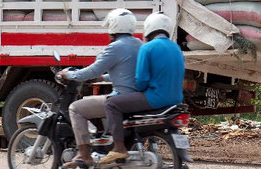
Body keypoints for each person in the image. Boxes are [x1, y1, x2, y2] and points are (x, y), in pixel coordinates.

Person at [57, 9, 142, 168]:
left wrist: (69, 75)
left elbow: (92, 71)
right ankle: (103, 143)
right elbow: (127, 73)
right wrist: (103, 78)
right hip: (137, 98)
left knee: (76, 108)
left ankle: (84, 154)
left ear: (113, 27)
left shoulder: (114, 47)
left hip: (120, 98)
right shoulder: (139, 44)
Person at [100, 12, 185, 165]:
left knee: (111, 104)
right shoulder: (176, 47)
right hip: (176, 99)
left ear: (149, 28)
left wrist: (139, 88)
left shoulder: (148, 48)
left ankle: (119, 147)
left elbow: (141, 80)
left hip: (155, 98)